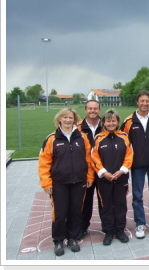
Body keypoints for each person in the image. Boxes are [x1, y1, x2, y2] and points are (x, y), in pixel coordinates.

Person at [38, 108, 95, 256]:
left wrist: (89, 177)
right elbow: (44, 163)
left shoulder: (82, 137)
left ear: (75, 119)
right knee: (59, 212)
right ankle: (58, 240)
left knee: (76, 211)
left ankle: (72, 238)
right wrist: (47, 183)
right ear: (59, 120)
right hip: (59, 183)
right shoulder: (51, 139)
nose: (68, 120)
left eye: (70, 117)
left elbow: (88, 160)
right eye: (65, 118)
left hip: (79, 181)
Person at [120, 90, 149, 239]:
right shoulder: (128, 121)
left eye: (147, 101)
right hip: (137, 165)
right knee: (137, 195)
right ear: (137, 102)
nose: (145, 104)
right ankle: (140, 223)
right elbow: (124, 141)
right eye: (142, 101)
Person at [91, 109, 133, 245]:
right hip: (104, 179)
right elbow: (94, 158)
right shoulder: (98, 138)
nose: (111, 123)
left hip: (121, 178)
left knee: (120, 204)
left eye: (113, 121)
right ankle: (108, 231)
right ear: (103, 122)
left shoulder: (124, 137)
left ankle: (120, 230)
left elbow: (129, 156)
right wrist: (104, 172)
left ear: (117, 122)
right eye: (108, 121)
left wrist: (122, 171)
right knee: (106, 205)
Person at [76, 99, 103, 240]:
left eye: (95, 108)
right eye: (90, 108)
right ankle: (83, 227)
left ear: (99, 110)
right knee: (85, 201)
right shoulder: (78, 127)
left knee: (104, 199)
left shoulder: (106, 124)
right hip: (85, 171)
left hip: (103, 170)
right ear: (85, 110)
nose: (93, 111)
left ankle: (107, 225)